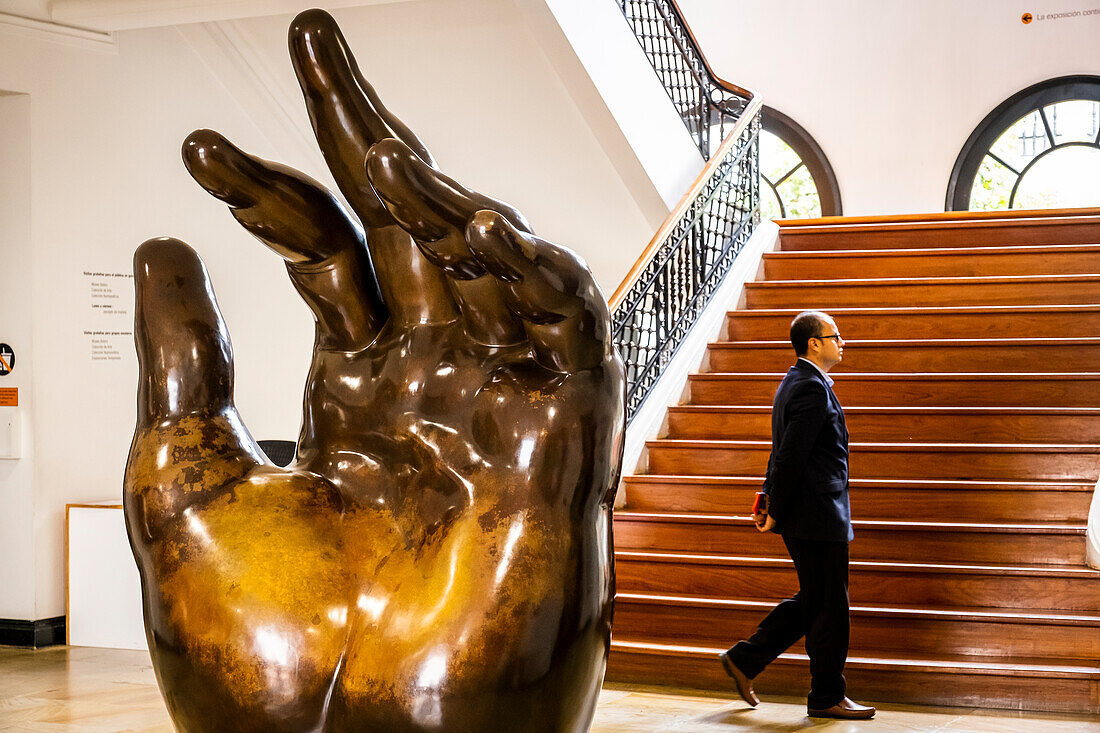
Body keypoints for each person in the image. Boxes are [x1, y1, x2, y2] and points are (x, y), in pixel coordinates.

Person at [718, 310, 875, 720]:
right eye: (836, 336)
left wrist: (771, 501)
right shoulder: (809, 388)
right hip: (816, 514)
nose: (843, 342)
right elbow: (789, 456)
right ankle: (826, 696)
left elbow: (783, 453)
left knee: (818, 600)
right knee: (830, 608)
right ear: (815, 344)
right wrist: (773, 506)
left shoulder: (799, 382)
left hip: (811, 512)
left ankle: (746, 659)